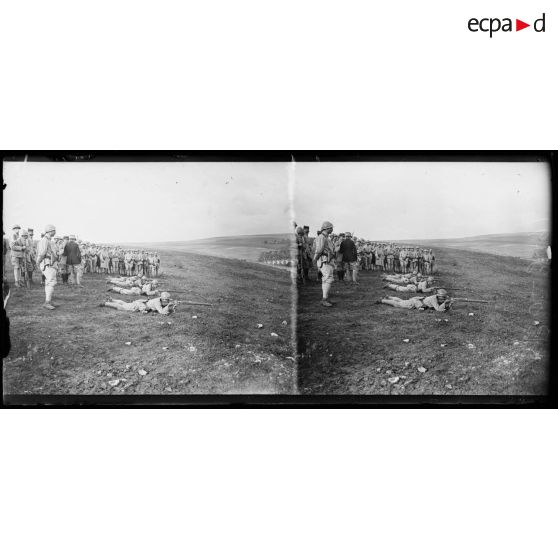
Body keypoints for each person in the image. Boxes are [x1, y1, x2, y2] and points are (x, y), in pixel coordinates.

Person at [312, 221, 336, 307]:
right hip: (324, 260)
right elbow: (319, 250)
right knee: (328, 278)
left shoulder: (326, 238)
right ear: (326, 228)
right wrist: (315, 259)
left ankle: (325, 297)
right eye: (331, 228)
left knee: (327, 278)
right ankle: (324, 299)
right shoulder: (321, 237)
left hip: (328, 260)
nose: (332, 229)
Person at [36, 224, 59, 310]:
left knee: (50, 282)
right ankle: (47, 302)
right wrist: (38, 262)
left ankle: (49, 300)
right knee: (51, 281)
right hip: (48, 263)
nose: (55, 232)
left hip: (51, 263)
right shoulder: (44, 240)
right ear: (50, 231)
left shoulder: (49, 240)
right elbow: (42, 253)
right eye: (54, 230)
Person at [101, 291, 175, 314]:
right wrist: (169, 306)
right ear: (162, 298)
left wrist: (171, 304)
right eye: (165, 299)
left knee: (125, 304)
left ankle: (112, 299)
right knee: (122, 308)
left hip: (142, 303)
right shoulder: (157, 302)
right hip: (140, 306)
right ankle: (106, 303)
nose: (166, 301)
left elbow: (166, 302)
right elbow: (162, 312)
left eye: (167, 299)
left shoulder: (160, 299)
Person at [379, 289, 451, 312]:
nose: (443, 299)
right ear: (438, 296)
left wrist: (449, 302)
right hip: (415, 303)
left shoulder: (437, 297)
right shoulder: (434, 299)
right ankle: (382, 300)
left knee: (401, 300)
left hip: (417, 300)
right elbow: (438, 309)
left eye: (444, 297)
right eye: (442, 297)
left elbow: (446, 299)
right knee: (398, 304)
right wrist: (445, 303)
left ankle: (389, 297)